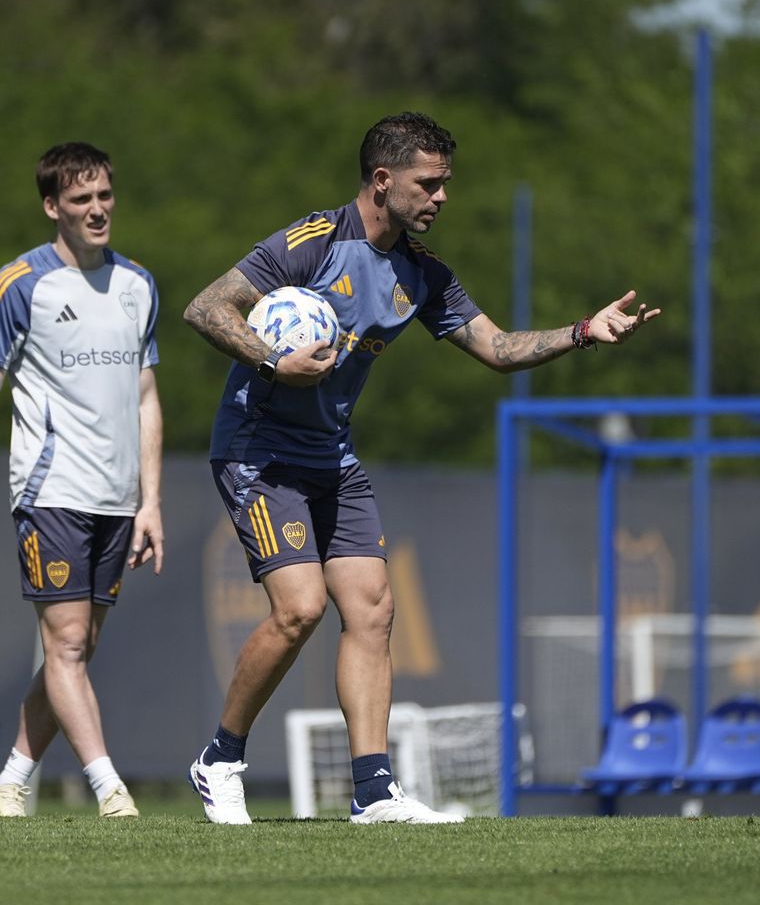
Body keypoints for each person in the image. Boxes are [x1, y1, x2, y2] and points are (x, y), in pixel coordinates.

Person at [184, 111, 660, 825]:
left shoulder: (423, 273)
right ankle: (219, 758)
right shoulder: (313, 243)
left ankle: (374, 792)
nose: (440, 197)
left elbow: (497, 349)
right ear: (383, 180)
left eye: (444, 184)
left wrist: (583, 332)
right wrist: (272, 358)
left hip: (330, 454)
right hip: (258, 450)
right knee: (302, 608)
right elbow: (206, 307)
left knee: (372, 608)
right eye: (428, 184)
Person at [0, 142, 164, 818]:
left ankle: (12, 777)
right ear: (51, 208)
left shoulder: (137, 285)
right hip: (52, 491)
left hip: (119, 499)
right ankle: (110, 790)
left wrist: (151, 501)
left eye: (103, 195)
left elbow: (147, 397)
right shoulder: (20, 285)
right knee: (65, 644)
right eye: (80, 200)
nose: (97, 210)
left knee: (78, 647)